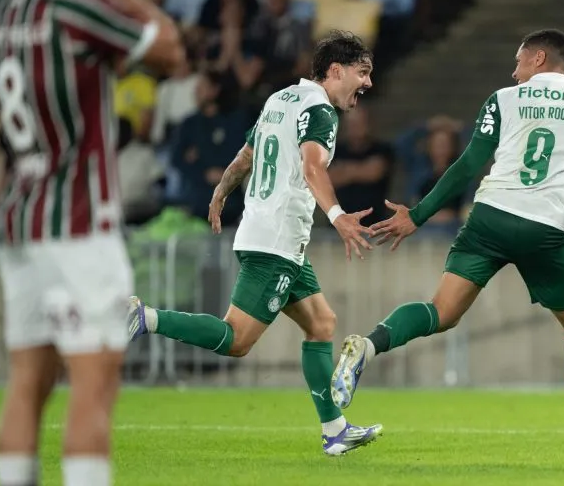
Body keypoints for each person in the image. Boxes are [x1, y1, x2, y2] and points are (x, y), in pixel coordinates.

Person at [330, 29, 564, 457]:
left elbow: (467, 166)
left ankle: (367, 346)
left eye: (519, 60)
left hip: (488, 217)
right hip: (542, 227)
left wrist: (418, 215)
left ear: (539, 58)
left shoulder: (502, 99)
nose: (513, 70)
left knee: (441, 311)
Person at [0, 0, 185, 485]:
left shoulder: (6, 15)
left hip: (20, 221)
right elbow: (170, 50)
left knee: (27, 382)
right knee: (93, 382)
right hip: (78, 223)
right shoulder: (73, 7)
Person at [127, 32, 383, 456]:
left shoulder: (280, 99)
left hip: (269, 236)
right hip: (277, 242)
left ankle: (335, 431)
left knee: (321, 323)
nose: (368, 84)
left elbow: (245, 155)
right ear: (336, 71)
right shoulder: (320, 110)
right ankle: (145, 317)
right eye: (363, 73)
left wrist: (221, 191)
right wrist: (338, 217)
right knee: (237, 339)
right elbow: (313, 165)